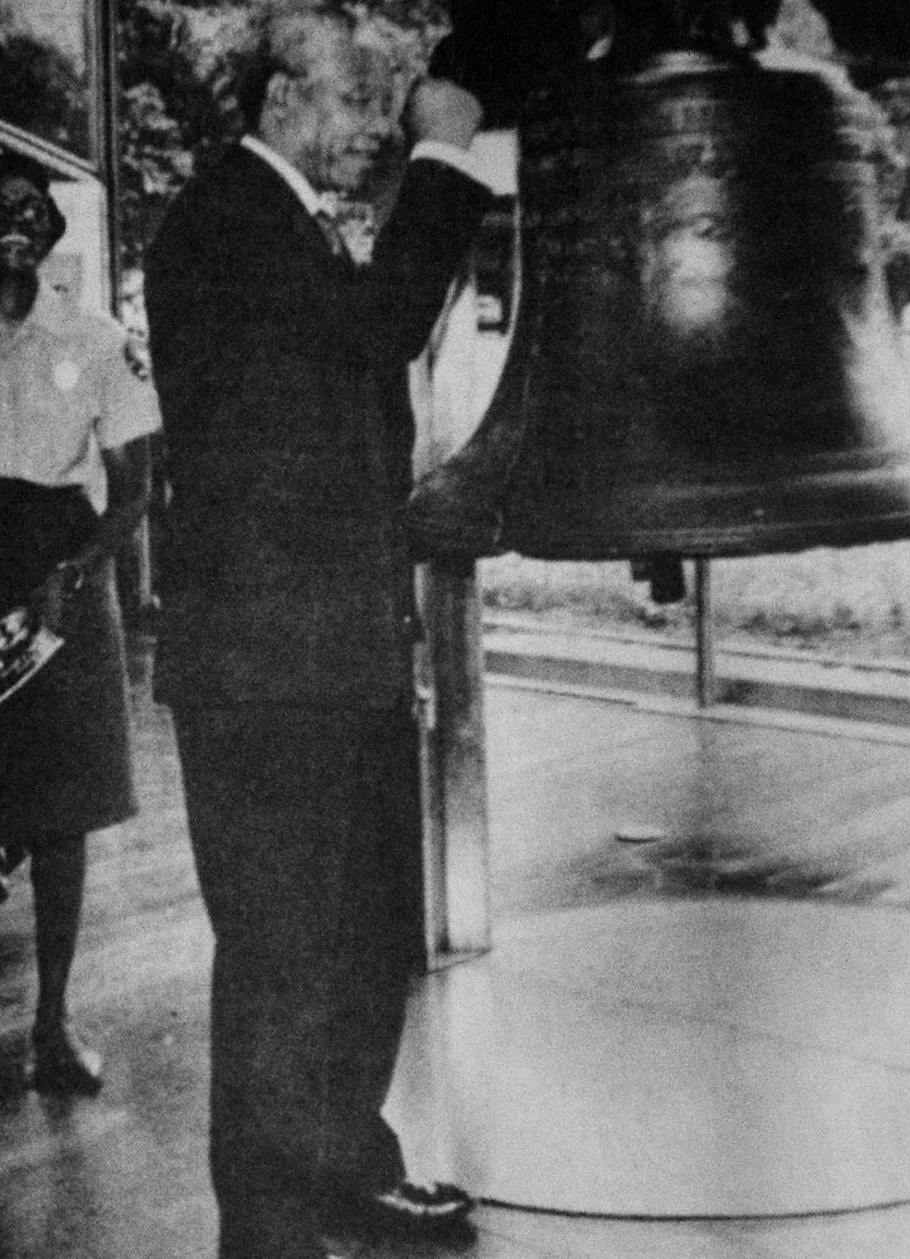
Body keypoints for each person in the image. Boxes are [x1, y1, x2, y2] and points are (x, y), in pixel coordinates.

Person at [143, 4, 493, 1256]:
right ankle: (273, 1232)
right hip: (268, 670)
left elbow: (347, 406)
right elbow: (372, 331)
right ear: (283, 101)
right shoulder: (225, 223)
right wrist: (449, 159)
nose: (380, 125)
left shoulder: (289, 228)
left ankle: (347, 1157)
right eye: (358, 99)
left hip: (328, 654)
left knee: (365, 939)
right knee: (289, 960)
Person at [0, 150, 159, 1094]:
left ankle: (51, 1024)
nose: (19, 223)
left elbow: (135, 487)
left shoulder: (96, 341)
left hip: (62, 568)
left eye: (31, 208)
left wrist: (77, 569)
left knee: (62, 815)